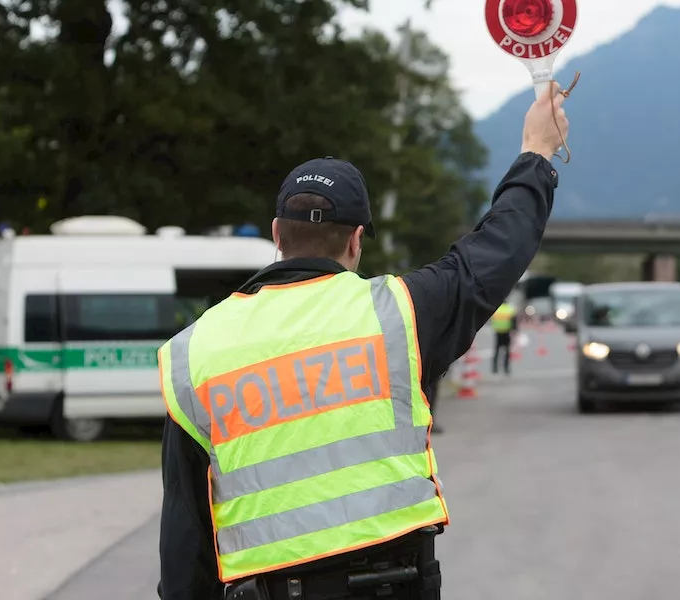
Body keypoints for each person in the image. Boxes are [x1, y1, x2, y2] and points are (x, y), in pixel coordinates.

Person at [156, 80, 570, 600]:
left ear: (276, 234)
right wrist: (536, 153)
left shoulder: (193, 352)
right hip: (391, 585)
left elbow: (186, 537)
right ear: (355, 241)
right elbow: (498, 249)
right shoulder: (398, 313)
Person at [490, 300, 517, 375]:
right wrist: (515, 330)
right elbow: (514, 321)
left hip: (498, 332)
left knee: (496, 351)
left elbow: (492, 319)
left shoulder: (497, 309)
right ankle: (506, 368)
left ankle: (494, 368)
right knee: (507, 351)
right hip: (506, 332)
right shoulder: (509, 309)